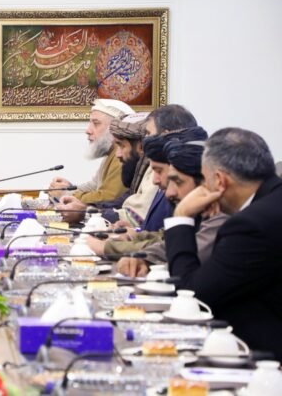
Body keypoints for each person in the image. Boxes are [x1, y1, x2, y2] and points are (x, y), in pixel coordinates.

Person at [165, 127, 282, 359]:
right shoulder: (271, 202)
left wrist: (181, 217)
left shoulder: (250, 226)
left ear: (219, 180)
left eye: (204, 181)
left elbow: (192, 297)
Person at [116, 128, 227, 275]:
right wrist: (144, 258)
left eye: (178, 182)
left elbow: (185, 266)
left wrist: (181, 214)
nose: (169, 192)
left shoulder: (222, 217)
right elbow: (170, 242)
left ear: (206, 183)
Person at [57, 112, 157, 224]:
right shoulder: (136, 165)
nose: (118, 154)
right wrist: (83, 207)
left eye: (121, 145)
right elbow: (119, 202)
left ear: (141, 147)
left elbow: (133, 216)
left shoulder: (154, 171)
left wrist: (84, 212)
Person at [52, 99, 134, 214]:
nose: (88, 130)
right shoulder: (110, 152)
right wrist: (69, 187)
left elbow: (108, 197)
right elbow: (94, 185)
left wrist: (66, 194)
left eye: (96, 123)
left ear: (115, 129)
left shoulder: (120, 156)